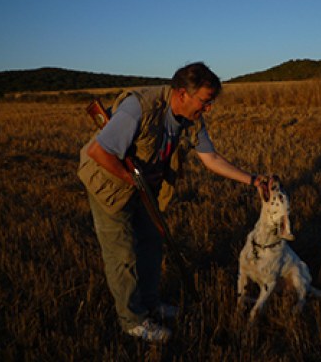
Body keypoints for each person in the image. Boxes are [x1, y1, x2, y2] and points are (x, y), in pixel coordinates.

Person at [78, 62, 266, 342]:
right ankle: (132, 320)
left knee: (153, 242)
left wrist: (252, 180)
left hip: (145, 186)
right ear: (181, 94)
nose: (209, 108)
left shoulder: (191, 119)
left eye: (211, 101)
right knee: (123, 254)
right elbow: (98, 151)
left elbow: (211, 159)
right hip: (108, 184)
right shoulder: (139, 107)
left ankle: (151, 303)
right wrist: (129, 179)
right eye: (205, 101)